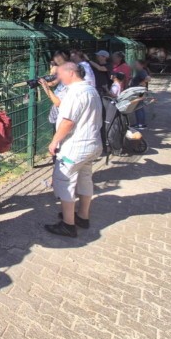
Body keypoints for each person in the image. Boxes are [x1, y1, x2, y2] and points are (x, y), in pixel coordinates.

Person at [44, 62, 103, 238]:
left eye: (60, 74)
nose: (58, 77)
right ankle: (82, 216)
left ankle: (68, 224)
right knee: (85, 178)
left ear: (70, 73)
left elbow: (68, 121)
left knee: (64, 181)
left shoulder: (75, 93)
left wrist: (55, 141)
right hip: (92, 144)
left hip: (75, 147)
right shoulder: (91, 90)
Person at [129, 60, 151, 128]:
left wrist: (142, 82)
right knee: (139, 107)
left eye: (137, 64)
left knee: (138, 107)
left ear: (141, 65)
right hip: (140, 91)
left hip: (140, 91)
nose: (135, 65)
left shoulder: (142, 71)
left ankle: (140, 124)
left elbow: (148, 78)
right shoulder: (141, 71)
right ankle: (141, 123)